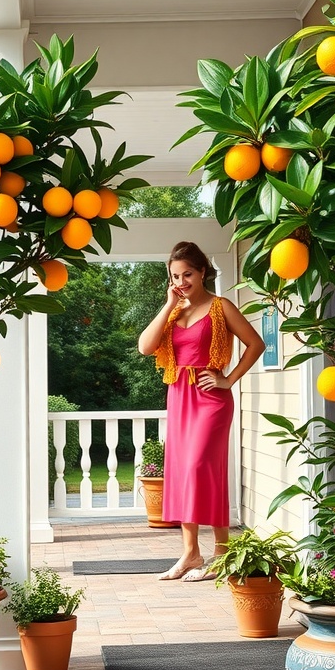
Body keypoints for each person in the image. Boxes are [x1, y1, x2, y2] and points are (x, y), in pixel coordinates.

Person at [138, 241, 266, 581]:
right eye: (175, 276)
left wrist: (229, 381)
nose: (181, 281)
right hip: (179, 394)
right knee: (181, 471)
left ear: (203, 272)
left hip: (211, 398)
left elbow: (256, 344)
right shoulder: (175, 312)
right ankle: (190, 553)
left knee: (199, 468)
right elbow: (145, 346)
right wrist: (168, 304)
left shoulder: (221, 307)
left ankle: (221, 552)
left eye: (188, 274)